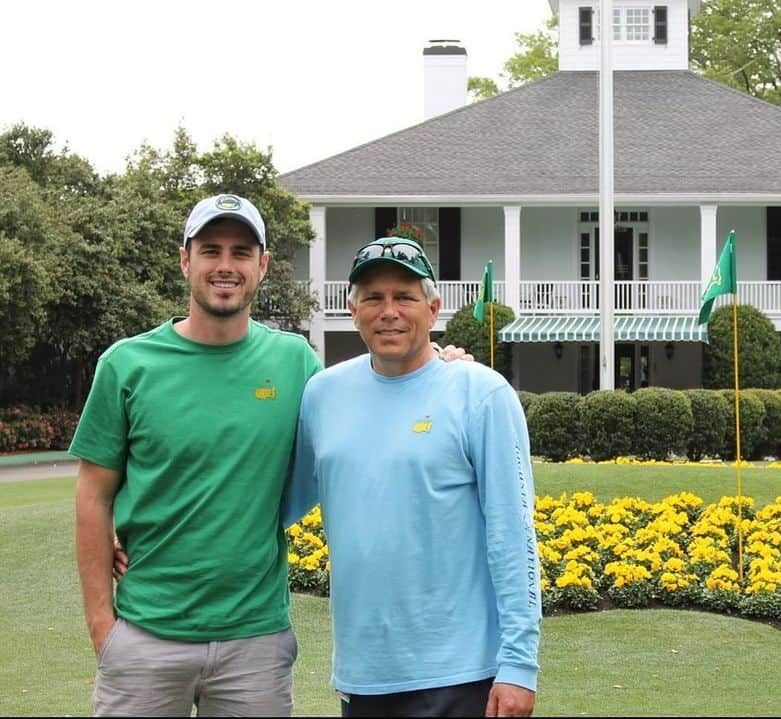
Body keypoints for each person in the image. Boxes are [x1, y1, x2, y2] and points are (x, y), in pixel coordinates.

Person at [73, 193, 471, 716]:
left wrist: (436, 366)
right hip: (146, 637)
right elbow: (92, 497)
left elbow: (372, 404)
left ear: (261, 266)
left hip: (255, 645)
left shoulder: (295, 363)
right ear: (184, 259)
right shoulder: (127, 365)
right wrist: (105, 629)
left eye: (241, 252)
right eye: (210, 249)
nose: (225, 265)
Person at [283, 237, 541, 717]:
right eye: (374, 298)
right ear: (352, 308)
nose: (389, 312)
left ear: (434, 307)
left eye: (405, 297)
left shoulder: (480, 394)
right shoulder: (323, 395)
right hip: (364, 677)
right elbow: (276, 505)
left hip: (463, 677)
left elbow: (514, 536)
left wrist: (519, 666)